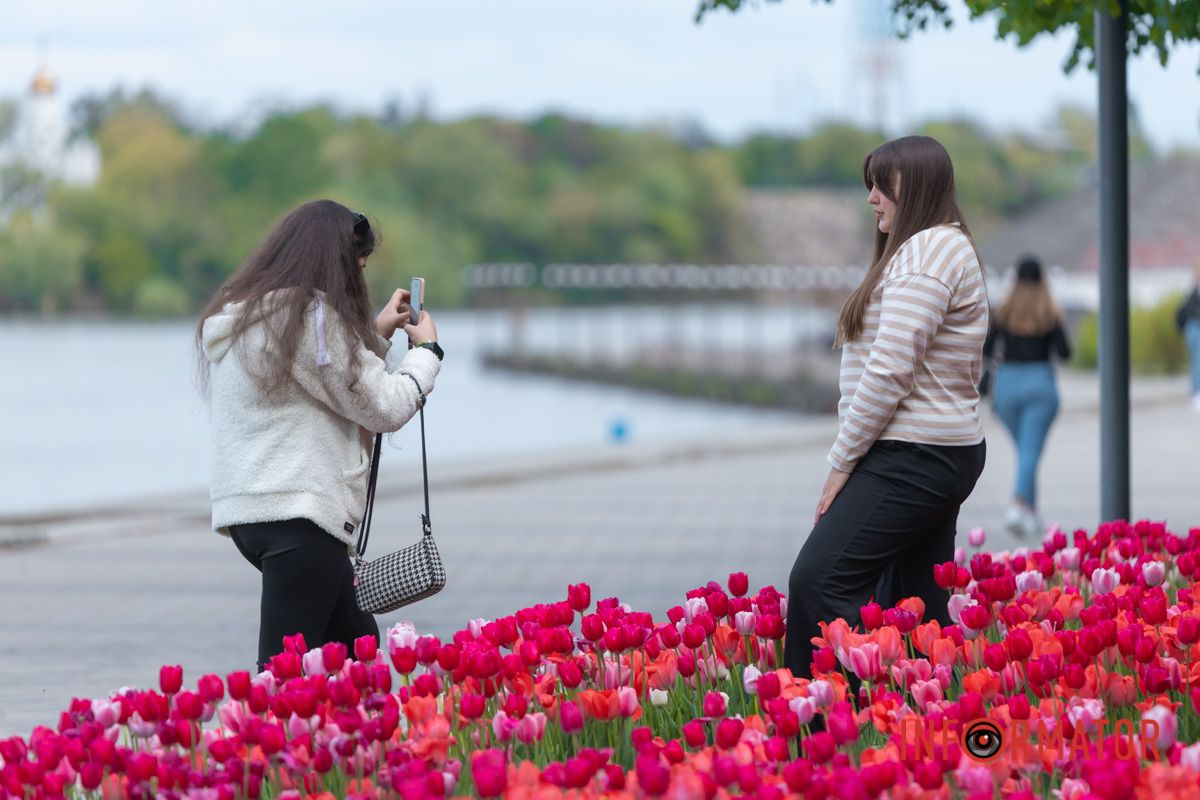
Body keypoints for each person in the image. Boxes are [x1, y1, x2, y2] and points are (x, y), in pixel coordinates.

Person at [195, 199, 443, 672]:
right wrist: (427, 350)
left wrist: (374, 334)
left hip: (252, 515)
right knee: (284, 674)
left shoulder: (252, 316)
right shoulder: (314, 319)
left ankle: (365, 744)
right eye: (359, 265)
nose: (358, 278)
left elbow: (324, 378)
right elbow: (384, 405)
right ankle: (263, 746)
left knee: (355, 652)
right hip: (301, 519)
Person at [784, 135, 989, 685]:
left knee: (818, 582)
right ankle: (928, 732)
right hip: (931, 450)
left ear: (917, 186)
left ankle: (819, 730)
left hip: (914, 454)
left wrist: (842, 463)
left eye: (883, 184)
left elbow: (891, 368)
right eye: (869, 184)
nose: (872, 197)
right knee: (912, 604)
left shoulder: (930, 252)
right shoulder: (930, 248)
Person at [983, 256, 1070, 540]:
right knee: (1030, 452)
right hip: (1040, 386)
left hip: (1006, 388)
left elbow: (985, 350)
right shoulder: (1049, 312)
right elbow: (1065, 352)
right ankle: (1019, 504)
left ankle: (1031, 512)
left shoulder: (1004, 311)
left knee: (1026, 451)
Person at [1177, 263, 1200, 412]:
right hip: (1195, 329)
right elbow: (1183, 313)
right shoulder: (1194, 293)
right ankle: (1197, 393)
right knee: (1197, 361)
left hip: (1193, 329)